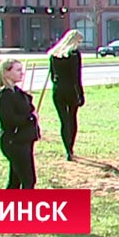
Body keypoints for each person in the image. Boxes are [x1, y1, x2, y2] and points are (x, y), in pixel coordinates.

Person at [0, 58, 40, 189]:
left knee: (15, 181)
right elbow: (10, 120)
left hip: (24, 140)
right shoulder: (4, 95)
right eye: (18, 70)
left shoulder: (17, 92)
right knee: (28, 180)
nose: (22, 73)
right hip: (14, 142)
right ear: (6, 73)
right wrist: (30, 117)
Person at [47, 28, 86, 160]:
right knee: (72, 119)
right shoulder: (74, 55)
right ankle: (71, 148)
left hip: (58, 89)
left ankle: (67, 149)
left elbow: (52, 76)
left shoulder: (54, 55)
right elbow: (76, 77)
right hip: (71, 90)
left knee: (64, 121)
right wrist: (80, 94)